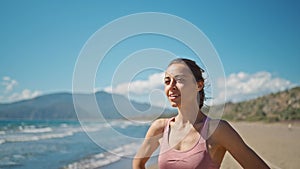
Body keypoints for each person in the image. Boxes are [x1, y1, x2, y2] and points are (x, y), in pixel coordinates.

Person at [132, 58, 270, 169]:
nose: (171, 86)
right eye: (167, 81)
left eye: (179, 80)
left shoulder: (217, 130)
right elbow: (138, 163)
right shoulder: (160, 127)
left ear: (198, 85)